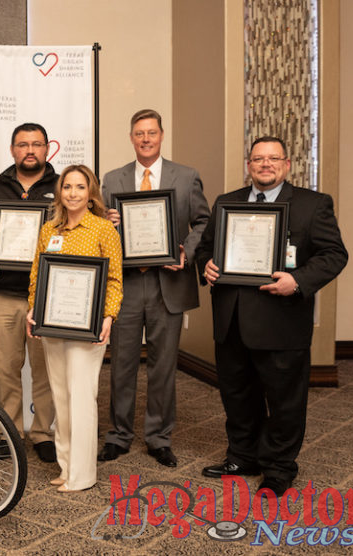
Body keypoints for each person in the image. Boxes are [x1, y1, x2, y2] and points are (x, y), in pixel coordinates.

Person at [195, 137, 347, 496]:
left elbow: (334, 254)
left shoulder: (313, 204)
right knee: (237, 395)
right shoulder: (226, 202)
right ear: (249, 164)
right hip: (231, 322)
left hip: (281, 323)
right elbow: (205, 247)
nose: (266, 164)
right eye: (258, 159)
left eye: (273, 158)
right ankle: (242, 456)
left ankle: (278, 468)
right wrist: (207, 266)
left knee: (284, 401)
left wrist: (298, 280)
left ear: (287, 164)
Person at [98, 110, 211, 468]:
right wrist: (106, 220)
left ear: (161, 135)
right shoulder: (112, 179)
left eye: (151, 133)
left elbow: (204, 222)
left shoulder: (186, 176)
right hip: (127, 285)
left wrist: (186, 251)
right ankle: (118, 435)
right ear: (131, 138)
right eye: (138, 134)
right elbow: (98, 227)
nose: (145, 139)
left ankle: (159, 438)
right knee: (122, 365)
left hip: (169, 283)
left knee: (163, 366)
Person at [26, 165, 122, 492]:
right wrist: (32, 310)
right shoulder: (48, 230)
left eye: (80, 187)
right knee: (61, 398)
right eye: (67, 187)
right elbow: (38, 275)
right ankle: (66, 467)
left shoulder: (103, 229)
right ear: (59, 191)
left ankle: (82, 475)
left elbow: (113, 280)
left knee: (82, 397)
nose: (73, 193)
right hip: (53, 326)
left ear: (90, 192)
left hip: (89, 329)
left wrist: (108, 317)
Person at [0, 123, 58, 463]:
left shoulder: (62, 186)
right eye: (23, 144)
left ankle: (42, 433)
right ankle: (9, 432)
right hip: (3, 295)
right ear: (12, 150)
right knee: (5, 370)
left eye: (37, 144)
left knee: (45, 371)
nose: (30, 150)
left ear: (48, 149)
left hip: (46, 298)